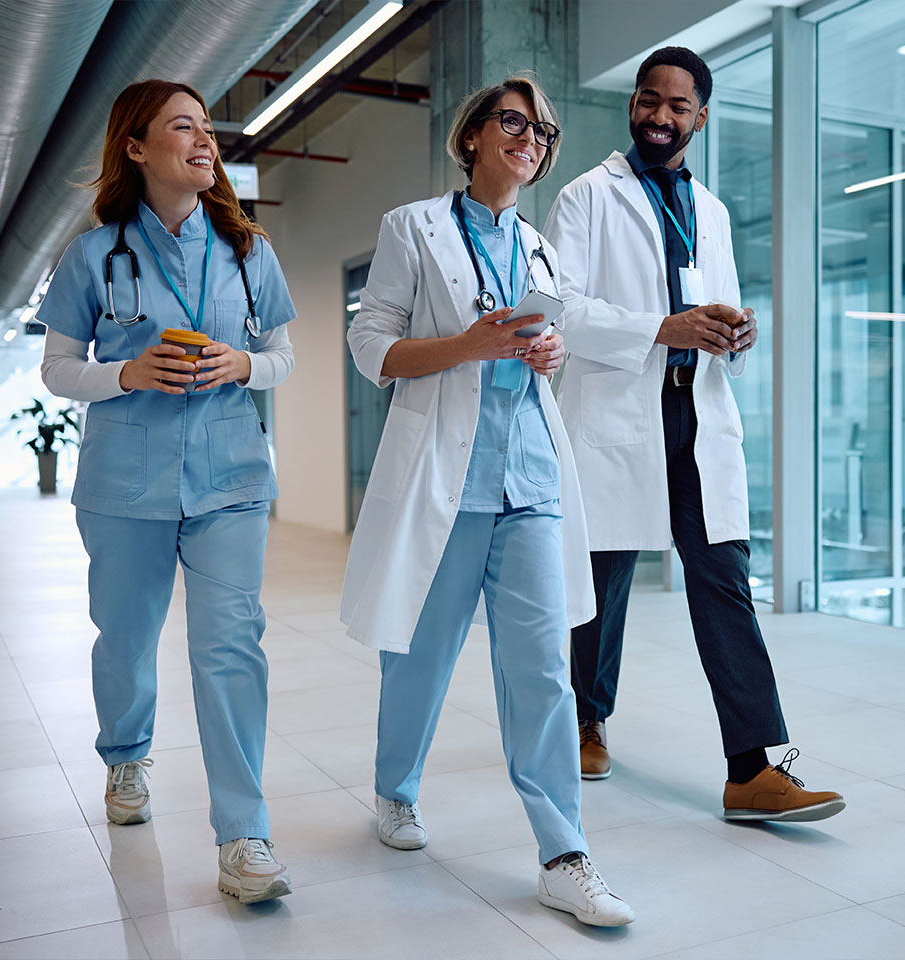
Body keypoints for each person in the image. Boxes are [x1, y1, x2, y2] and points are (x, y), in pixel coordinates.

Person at [342, 75, 634, 927]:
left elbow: (550, 344)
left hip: (533, 481)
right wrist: (465, 346)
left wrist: (549, 356)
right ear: (471, 136)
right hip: (448, 481)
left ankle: (563, 854)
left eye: (542, 131)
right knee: (421, 660)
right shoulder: (414, 228)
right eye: (514, 123)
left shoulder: (541, 248)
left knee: (542, 672)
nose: (532, 139)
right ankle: (395, 791)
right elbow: (372, 346)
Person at [543, 47, 845, 822]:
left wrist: (737, 336)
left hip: (697, 413)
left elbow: (726, 303)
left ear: (700, 119)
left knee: (724, 582)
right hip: (617, 410)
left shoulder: (709, 209)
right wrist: (661, 327)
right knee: (601, 581)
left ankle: (751, 768)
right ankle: (585, 717)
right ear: (633, 105)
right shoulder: (586, 197)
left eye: (678, 107)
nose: (660, 117)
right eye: (649, 100)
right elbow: (560, 310)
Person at [38, 79, 297, 903]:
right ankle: (125, 756)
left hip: (230, 477)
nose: (204, 140)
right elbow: (56, 371)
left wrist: (246, 364)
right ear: (137, 148)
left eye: (209, 128)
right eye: (182, 127)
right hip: (124, 483)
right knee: (125, 640)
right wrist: (127, 372)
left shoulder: (251, 251)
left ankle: (245, 837)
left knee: (230, 650)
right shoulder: (94, 254)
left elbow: (284, 352)